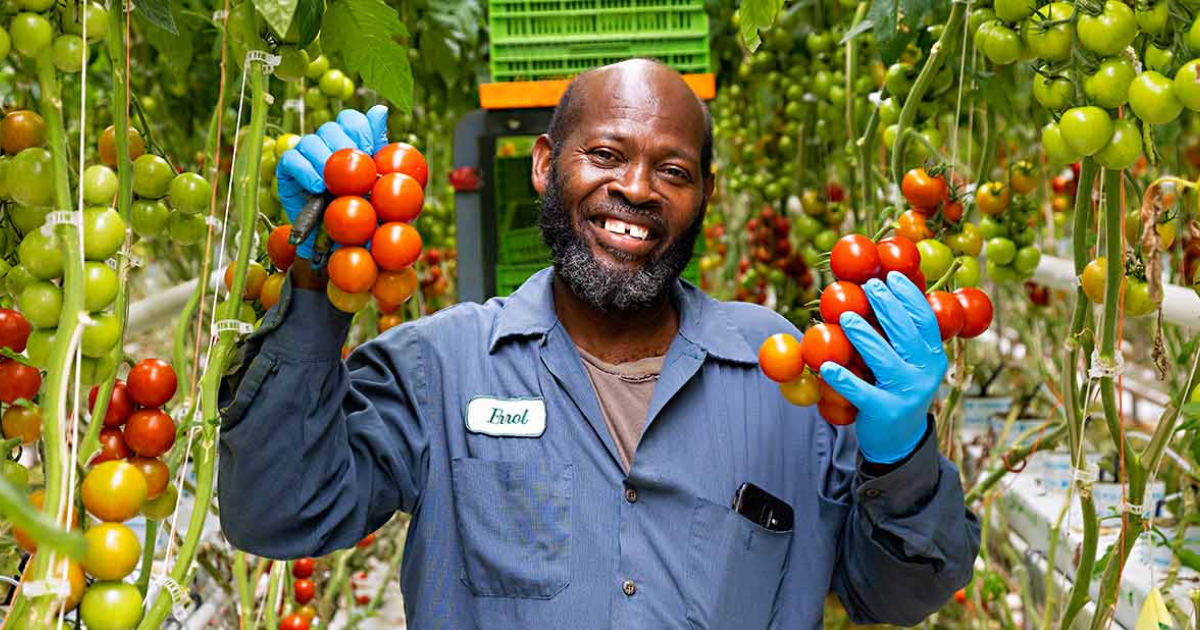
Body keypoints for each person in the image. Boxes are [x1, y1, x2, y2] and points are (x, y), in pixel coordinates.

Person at [218, 59, 980, 630]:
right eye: (607, 155)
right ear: (548, 165)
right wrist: (318, 288)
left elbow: (897, 594)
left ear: (703, 198)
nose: (638, 189)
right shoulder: (440, 368)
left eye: (673, 170)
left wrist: (900, 455)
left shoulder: (787, 375)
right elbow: (280, 515)